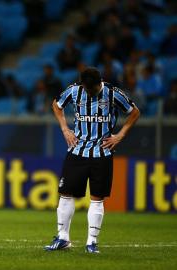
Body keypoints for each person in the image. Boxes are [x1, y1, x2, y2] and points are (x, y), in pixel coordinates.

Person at [45, 67, 140, 253]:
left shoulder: (112, 93)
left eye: (93, 90)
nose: (89, 93)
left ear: (100, 83)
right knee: (65, 194)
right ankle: (63, 238)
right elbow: (56, 104)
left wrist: (120, 135)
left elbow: (134, 111)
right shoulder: (74, 90)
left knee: (97, 199)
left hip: (101, 153)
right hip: (77, 150)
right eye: (87, 90)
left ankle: (91, 242)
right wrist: (65, 128)